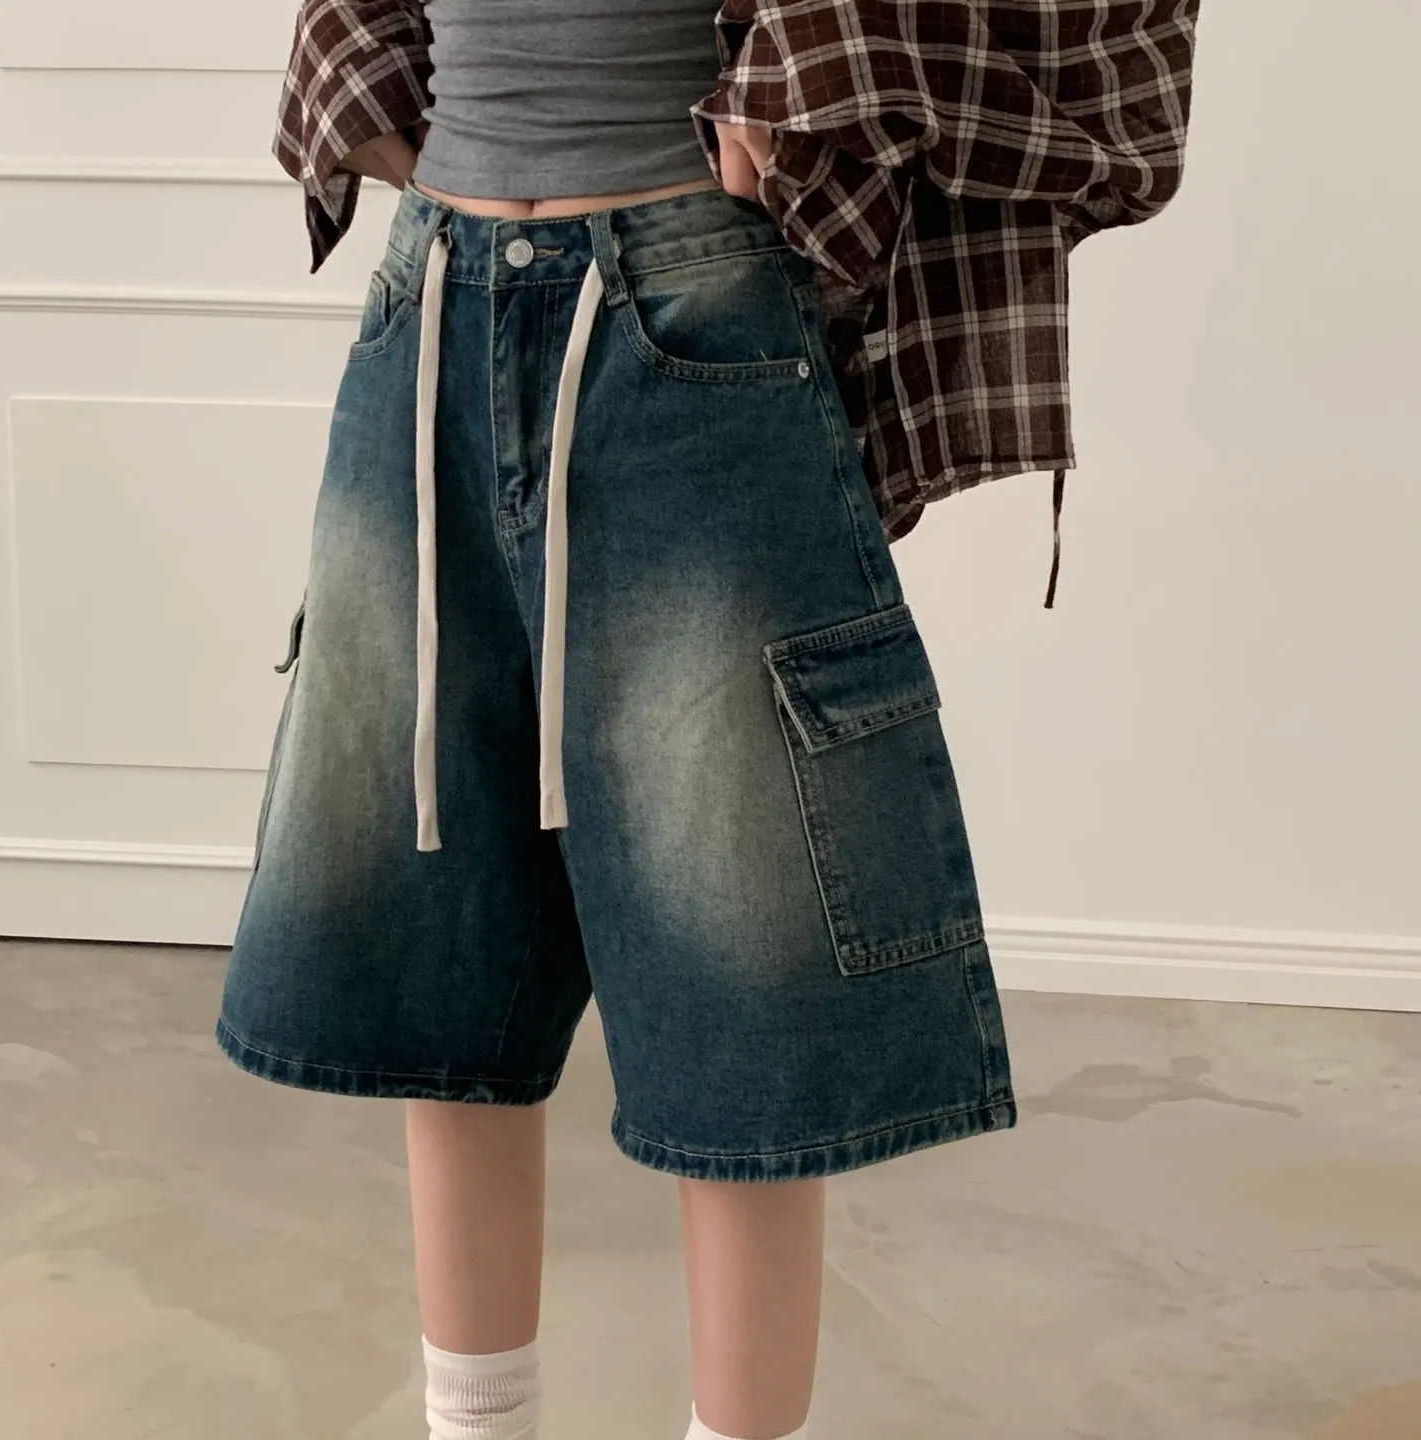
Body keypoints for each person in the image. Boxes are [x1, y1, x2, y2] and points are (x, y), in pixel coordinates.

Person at [216, 4, 1199, 1439]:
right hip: (430, 297)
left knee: (744, 970)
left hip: (686, 299)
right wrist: (363, 91)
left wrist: (803, 83)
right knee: (448, 937)